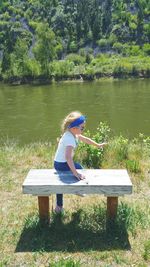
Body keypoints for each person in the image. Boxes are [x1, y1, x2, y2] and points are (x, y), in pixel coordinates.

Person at [54, 111, 107, 213]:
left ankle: (58, 207)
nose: (83, 129)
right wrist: (76, 173)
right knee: (79, 169)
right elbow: (68, 157)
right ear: (74, 128)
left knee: (61, 182)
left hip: (58, 162)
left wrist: (98, 145)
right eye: (82, 128)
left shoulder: (73, 134)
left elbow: (86, 139)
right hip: (62, 164)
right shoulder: (69, 139)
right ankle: (78, 189)